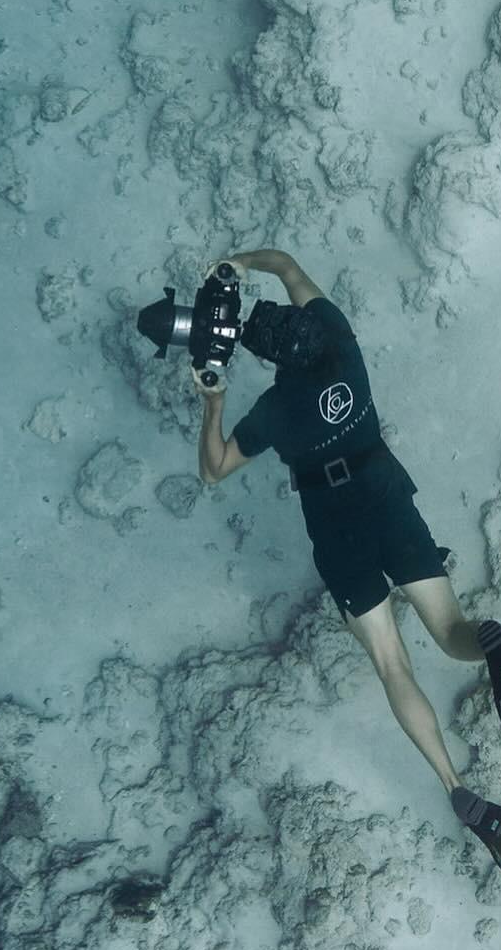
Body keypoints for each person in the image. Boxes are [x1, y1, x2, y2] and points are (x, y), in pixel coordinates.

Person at [192, 247, 484, 795]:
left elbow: (214, 471)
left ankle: (452, 783)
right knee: (451, 633)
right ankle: (495, 646)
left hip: (335, 525)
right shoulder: (342, 342)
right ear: (312, 328)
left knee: (394, 666)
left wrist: (214, 401)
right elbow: (288, 266)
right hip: (386, 496)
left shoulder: (275, 411)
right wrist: (239, 262)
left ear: (273, 360)